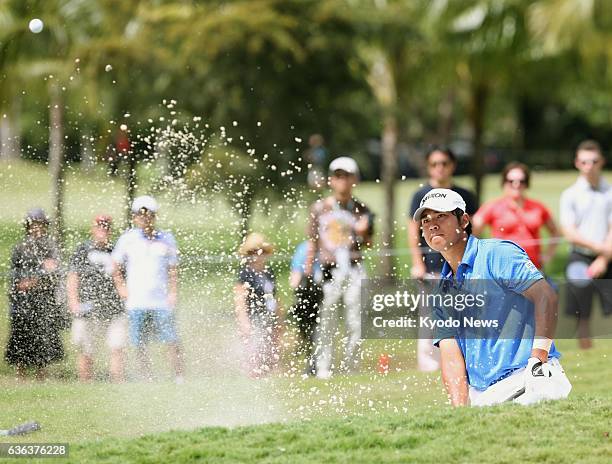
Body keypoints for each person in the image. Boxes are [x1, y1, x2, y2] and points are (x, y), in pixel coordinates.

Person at [413, 188, 571, 406]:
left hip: (529, 376)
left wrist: (538, 360)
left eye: (442, 216)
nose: (432, 224)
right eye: (426, 220)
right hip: (484, 394)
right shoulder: (442, 291)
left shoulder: (498, 253)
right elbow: (451, 357)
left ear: (464, 221)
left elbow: (546, 296)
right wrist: (460, 413)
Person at [407, 146, 478, 372]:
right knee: (429, 316)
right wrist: (417, 263)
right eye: (434, 164)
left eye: (444, 163)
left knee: (463, 313)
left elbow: (472, 229)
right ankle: (429, 365)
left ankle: (464, 359)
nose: (439, 168)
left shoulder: (465, 195)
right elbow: (413, 231)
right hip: (431, 267)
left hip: (460, 265)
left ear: (452, 166)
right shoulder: (420, 196)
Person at [306, 156, 374, 379]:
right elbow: (312, 242)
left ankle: (351, 366)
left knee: (356, 320)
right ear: (331, 180)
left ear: (354, 180)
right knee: (327, 320)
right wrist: (308, 269)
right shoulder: (319, 208)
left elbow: (369, 243)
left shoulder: (362, 209)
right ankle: (324, 366)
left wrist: (364, 233)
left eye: (347, 176)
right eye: (338, 176)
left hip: (354, 268)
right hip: (329, 271)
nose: (342, 181)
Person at [111, 195, 184, 382]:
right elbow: (116, 267)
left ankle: (178, 376)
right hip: (136, 301)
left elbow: (173, 269)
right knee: (139, 342)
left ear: (154, 216)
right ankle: (146, 377)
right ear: (135, 217)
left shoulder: (167, 238)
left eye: (149, 214)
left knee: (171, 339)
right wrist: (121, 288)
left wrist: (173, 292)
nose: (145, 218)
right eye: (140, 214)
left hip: (161, 300)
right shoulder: (127, 239)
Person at [560, 140, 612, 349]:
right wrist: (601, 251)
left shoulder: (610, 191)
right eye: (584, 162)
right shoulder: (570, 194)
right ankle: (586, 351)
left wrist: (604, 258)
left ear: (602, 162)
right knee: (582, 311)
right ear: (577, 163)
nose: (589, 166)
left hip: (608, 256)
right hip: (580, 257)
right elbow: (570, 233)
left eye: (593, 161)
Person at [4, 209, 65, 380]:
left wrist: (35, 281)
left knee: (42, 341)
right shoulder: (20, 248)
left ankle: (41, 377)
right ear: (28, 227)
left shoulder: (51, 247)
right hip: (23, 304)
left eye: (41, 225)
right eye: (34, 225)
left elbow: (55, 275)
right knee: (20, 341)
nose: (37, 229)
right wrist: (21, 286)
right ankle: (20, 377)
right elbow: (14, 277)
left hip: (44, 302)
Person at [67, 215, 127, 382]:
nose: (103, 229)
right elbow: (73, 276)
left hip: (113, 307)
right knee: (86, 349)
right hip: (87, 307)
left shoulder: (117, 250)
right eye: (99, 226)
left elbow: (121, 277)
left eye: (106, 226)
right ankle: (86, 382)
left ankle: (118, 382)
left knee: (117, 347)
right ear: (92, 229)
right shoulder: (83, 249)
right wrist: (73, 301)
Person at [473, 162, 560, 270]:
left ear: (526, 183)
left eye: (521, 181)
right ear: (504, 183)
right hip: (502, 269)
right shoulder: (492, 206)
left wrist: (548, 256)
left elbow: (555, 232)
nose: (516, 184)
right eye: (511, 181)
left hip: (533, 269)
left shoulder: (538, 207)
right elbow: (473, 231)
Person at [234, 233, 281, 378]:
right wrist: (244, 322)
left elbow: (275, 296)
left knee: (268, 354)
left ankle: (264, 379)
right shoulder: (245, 274)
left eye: (261, 251)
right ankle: (251, 379)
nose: (258, 255)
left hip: (268, 317)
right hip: (253, 318)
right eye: (253, 252)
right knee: (253, 354)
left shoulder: (268, 272)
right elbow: (239, 299)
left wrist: (279, 318)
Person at [288, 240, 323, 376]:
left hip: (318, 299)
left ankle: (314, 362)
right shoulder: (303, 249)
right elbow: (294, 280)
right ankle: (310, 361)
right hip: (305, 299)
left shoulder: (324, 250)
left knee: (316, 333)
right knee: (306, 332)